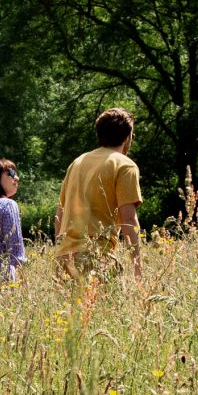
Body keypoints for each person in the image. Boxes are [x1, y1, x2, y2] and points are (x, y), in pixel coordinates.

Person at [54, 107, 142, 280]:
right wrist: (137, 268)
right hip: (96, 256)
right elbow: (128, 220)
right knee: (109, 307)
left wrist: (62, 252)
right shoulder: (125, 165)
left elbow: (59, 216)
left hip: (63, 259)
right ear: (127, 136)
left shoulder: (77, 162)